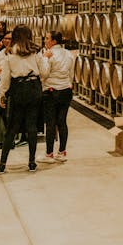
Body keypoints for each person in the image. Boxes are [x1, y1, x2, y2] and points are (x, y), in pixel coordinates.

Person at [0, 25, 48, 174]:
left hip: (18, 89)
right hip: (33, 89)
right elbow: (44, 73)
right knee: (32, 126)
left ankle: (2, 163)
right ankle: (32, 162)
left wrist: (1, 94)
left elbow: (5, 78)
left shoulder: (10, 54)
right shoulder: (35, 53)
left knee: (12, 126)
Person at [39, 31, 74, 163]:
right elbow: (71, 73)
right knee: (62, 122)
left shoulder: (49, 54)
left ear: (54, 41)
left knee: (50, 123)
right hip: (66, 90)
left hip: (51, 90)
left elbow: (44, 73)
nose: (45, 41)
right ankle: (62, 152)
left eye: (47, 39)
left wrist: (44, 58)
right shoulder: (68, 54)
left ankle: (49, 154)